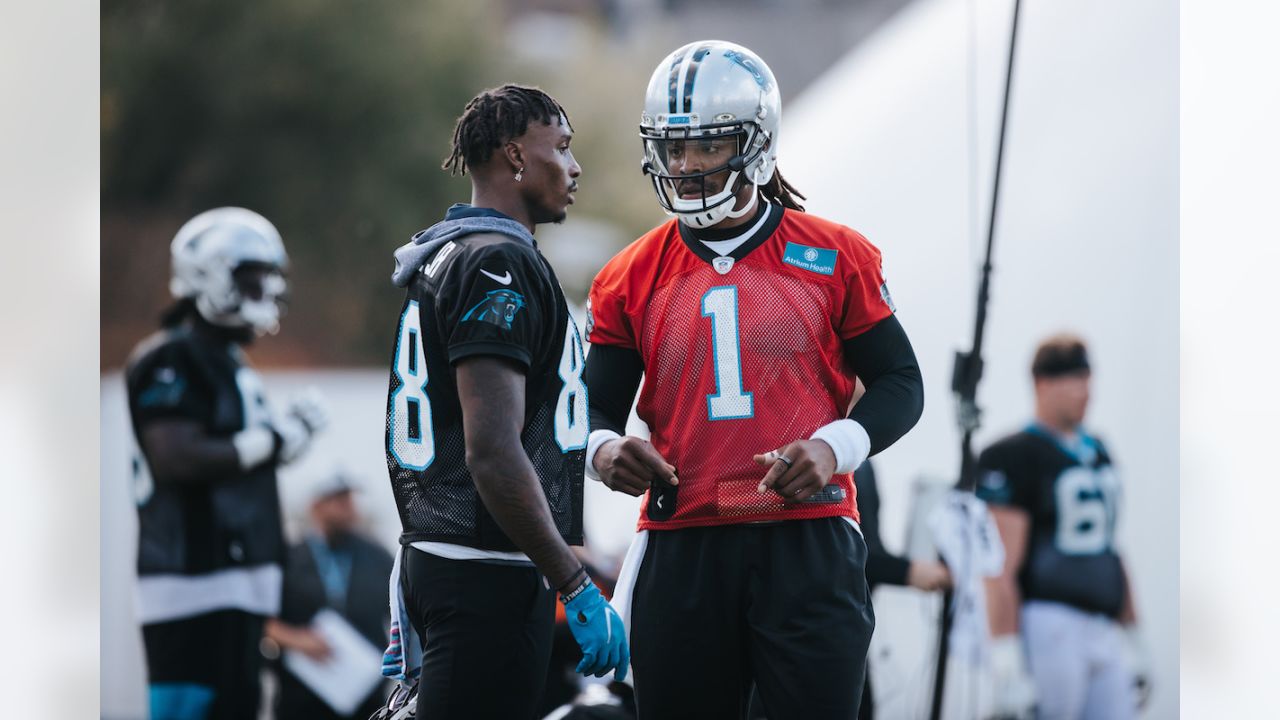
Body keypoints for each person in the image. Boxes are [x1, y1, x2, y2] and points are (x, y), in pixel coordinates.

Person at [584, 41, 925, 719]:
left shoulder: (834, 254)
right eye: (673, 148)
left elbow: (901, 382)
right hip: (683, 541)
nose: (685, 166)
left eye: (706, 147)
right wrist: (604, 450)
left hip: (808, 534)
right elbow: (589, 411)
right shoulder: (628, 274)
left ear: (757, 142)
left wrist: (832, 447)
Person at [378, 84, 627, 720]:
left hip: (451, 561)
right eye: (562, 149)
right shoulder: (497, 264)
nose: (574, 168)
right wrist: (574, 585)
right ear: (516, 155)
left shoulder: (453, 250)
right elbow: (491, 450)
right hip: (483, 574)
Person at [125, 207, 329, 720]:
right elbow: (176, 457)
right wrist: (276, 438)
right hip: (190, 583)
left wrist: (282, 442)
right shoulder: (170, 358)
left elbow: (241, 461)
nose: (264, 291)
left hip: (237, 585)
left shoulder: (232, 365)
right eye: (251, 277)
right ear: (208, 275)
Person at [976, 334, 1149, 719]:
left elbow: (1109, 546)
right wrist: (1005, 651)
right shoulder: (1013, 454)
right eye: (1073, 379)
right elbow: (1001, 566)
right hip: (1049, 622)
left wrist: (1135, 634)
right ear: (1042, 383)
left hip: (1103, 623)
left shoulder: (1098, 450)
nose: (1085, 392)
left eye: (1087, 379)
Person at [267, 469, 395, 720]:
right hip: (303, 698)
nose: (349, 507)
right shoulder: (288, 558)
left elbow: (402, 615)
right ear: (316, 505)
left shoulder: (377, 556)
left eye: (350, 498)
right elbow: (259, 621)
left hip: (365, 699)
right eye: (339, 499)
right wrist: (295, 639)